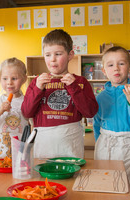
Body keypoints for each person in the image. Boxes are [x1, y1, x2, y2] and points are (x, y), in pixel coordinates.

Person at [21, 29, 98, 159]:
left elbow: (90, 112)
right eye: (48, 55)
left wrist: (74, 88)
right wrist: (38, 89)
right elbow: (26, 113)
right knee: (44, 178)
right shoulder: (37, 82)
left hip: (70, 142)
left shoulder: (80, 82)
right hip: (44, 142)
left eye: (58, 54)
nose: (52, 60)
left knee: (71, 177)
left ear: (70, 55)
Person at [93, 46, 130, 199]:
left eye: (121, 64)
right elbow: (97, 124)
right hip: (106, 145)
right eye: (110, 65)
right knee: (105, 185)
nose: (116, 68)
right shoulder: (100, 97)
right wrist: (100, 143)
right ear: (104, 71)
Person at [0, 57, 29, 158]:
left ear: (24, 79)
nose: (9, 82)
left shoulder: (27, 102)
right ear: (0, 79)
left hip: (19, 156)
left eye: (14, 78)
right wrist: (0, 111)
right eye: (5, 78)